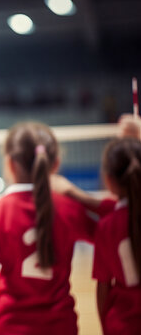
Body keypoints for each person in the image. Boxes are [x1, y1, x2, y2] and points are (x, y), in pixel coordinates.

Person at [0, 121, 96, 335]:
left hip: (12, 326)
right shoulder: (69, 209)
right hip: (61, 325)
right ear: (55, 164)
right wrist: (79, 196)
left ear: (10, 164)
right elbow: (119, 223)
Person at [92, 137, 141, 334]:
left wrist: (104, 326)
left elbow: (103, 286)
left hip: (122, 324)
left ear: (108, 181)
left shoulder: (107, 226)